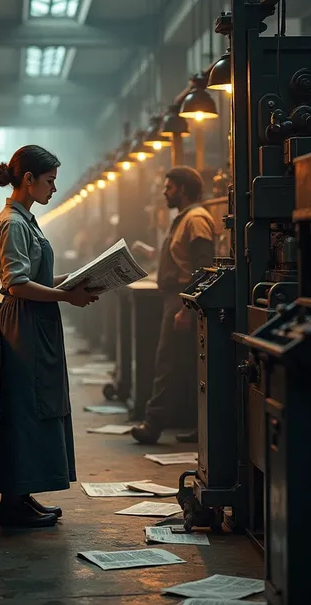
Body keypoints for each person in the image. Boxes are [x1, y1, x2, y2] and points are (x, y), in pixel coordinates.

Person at [0, 145, 98, 529]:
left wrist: (71, 280)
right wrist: (67, 296)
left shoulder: (28, 220)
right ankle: (12, 504)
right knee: (26, 407)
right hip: (26, 322)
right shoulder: (15, 224)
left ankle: (22, 495)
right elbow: (17, 284)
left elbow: (31, 278)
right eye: (49, 181)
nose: (54, 189)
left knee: (37, 405)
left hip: (37, 320)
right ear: (28, 179)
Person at [131, 166, 215, 445]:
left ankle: (153, 424)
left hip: (182, 298)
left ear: (182, 188)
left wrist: (187, 308)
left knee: (167, 361)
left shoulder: (197, 219)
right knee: (183, 363)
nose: (164, 192)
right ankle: (196, 424)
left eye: (168, 188)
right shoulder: (184, 219)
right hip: (176, 297)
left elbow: (202, 268)